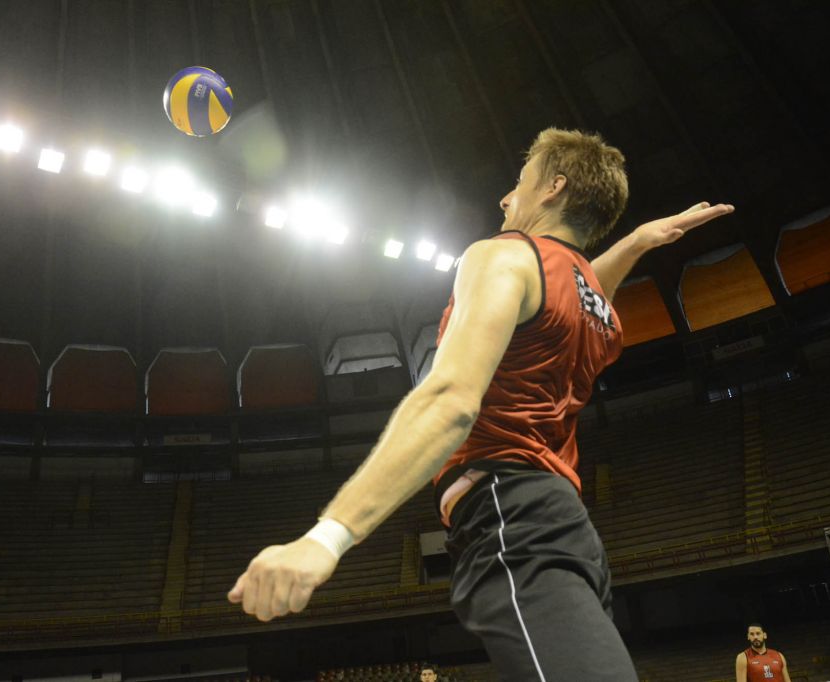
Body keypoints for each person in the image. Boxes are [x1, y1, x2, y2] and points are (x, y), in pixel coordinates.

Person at [228, 127, 734, 680]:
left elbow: (449, 401)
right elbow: (584, 286)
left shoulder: (503, 257)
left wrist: (326, 538)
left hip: (510, 516)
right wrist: (635, 243)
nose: (504, 198)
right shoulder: (597, 312)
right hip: (564, 527)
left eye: (519, 182)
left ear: (553, 188)